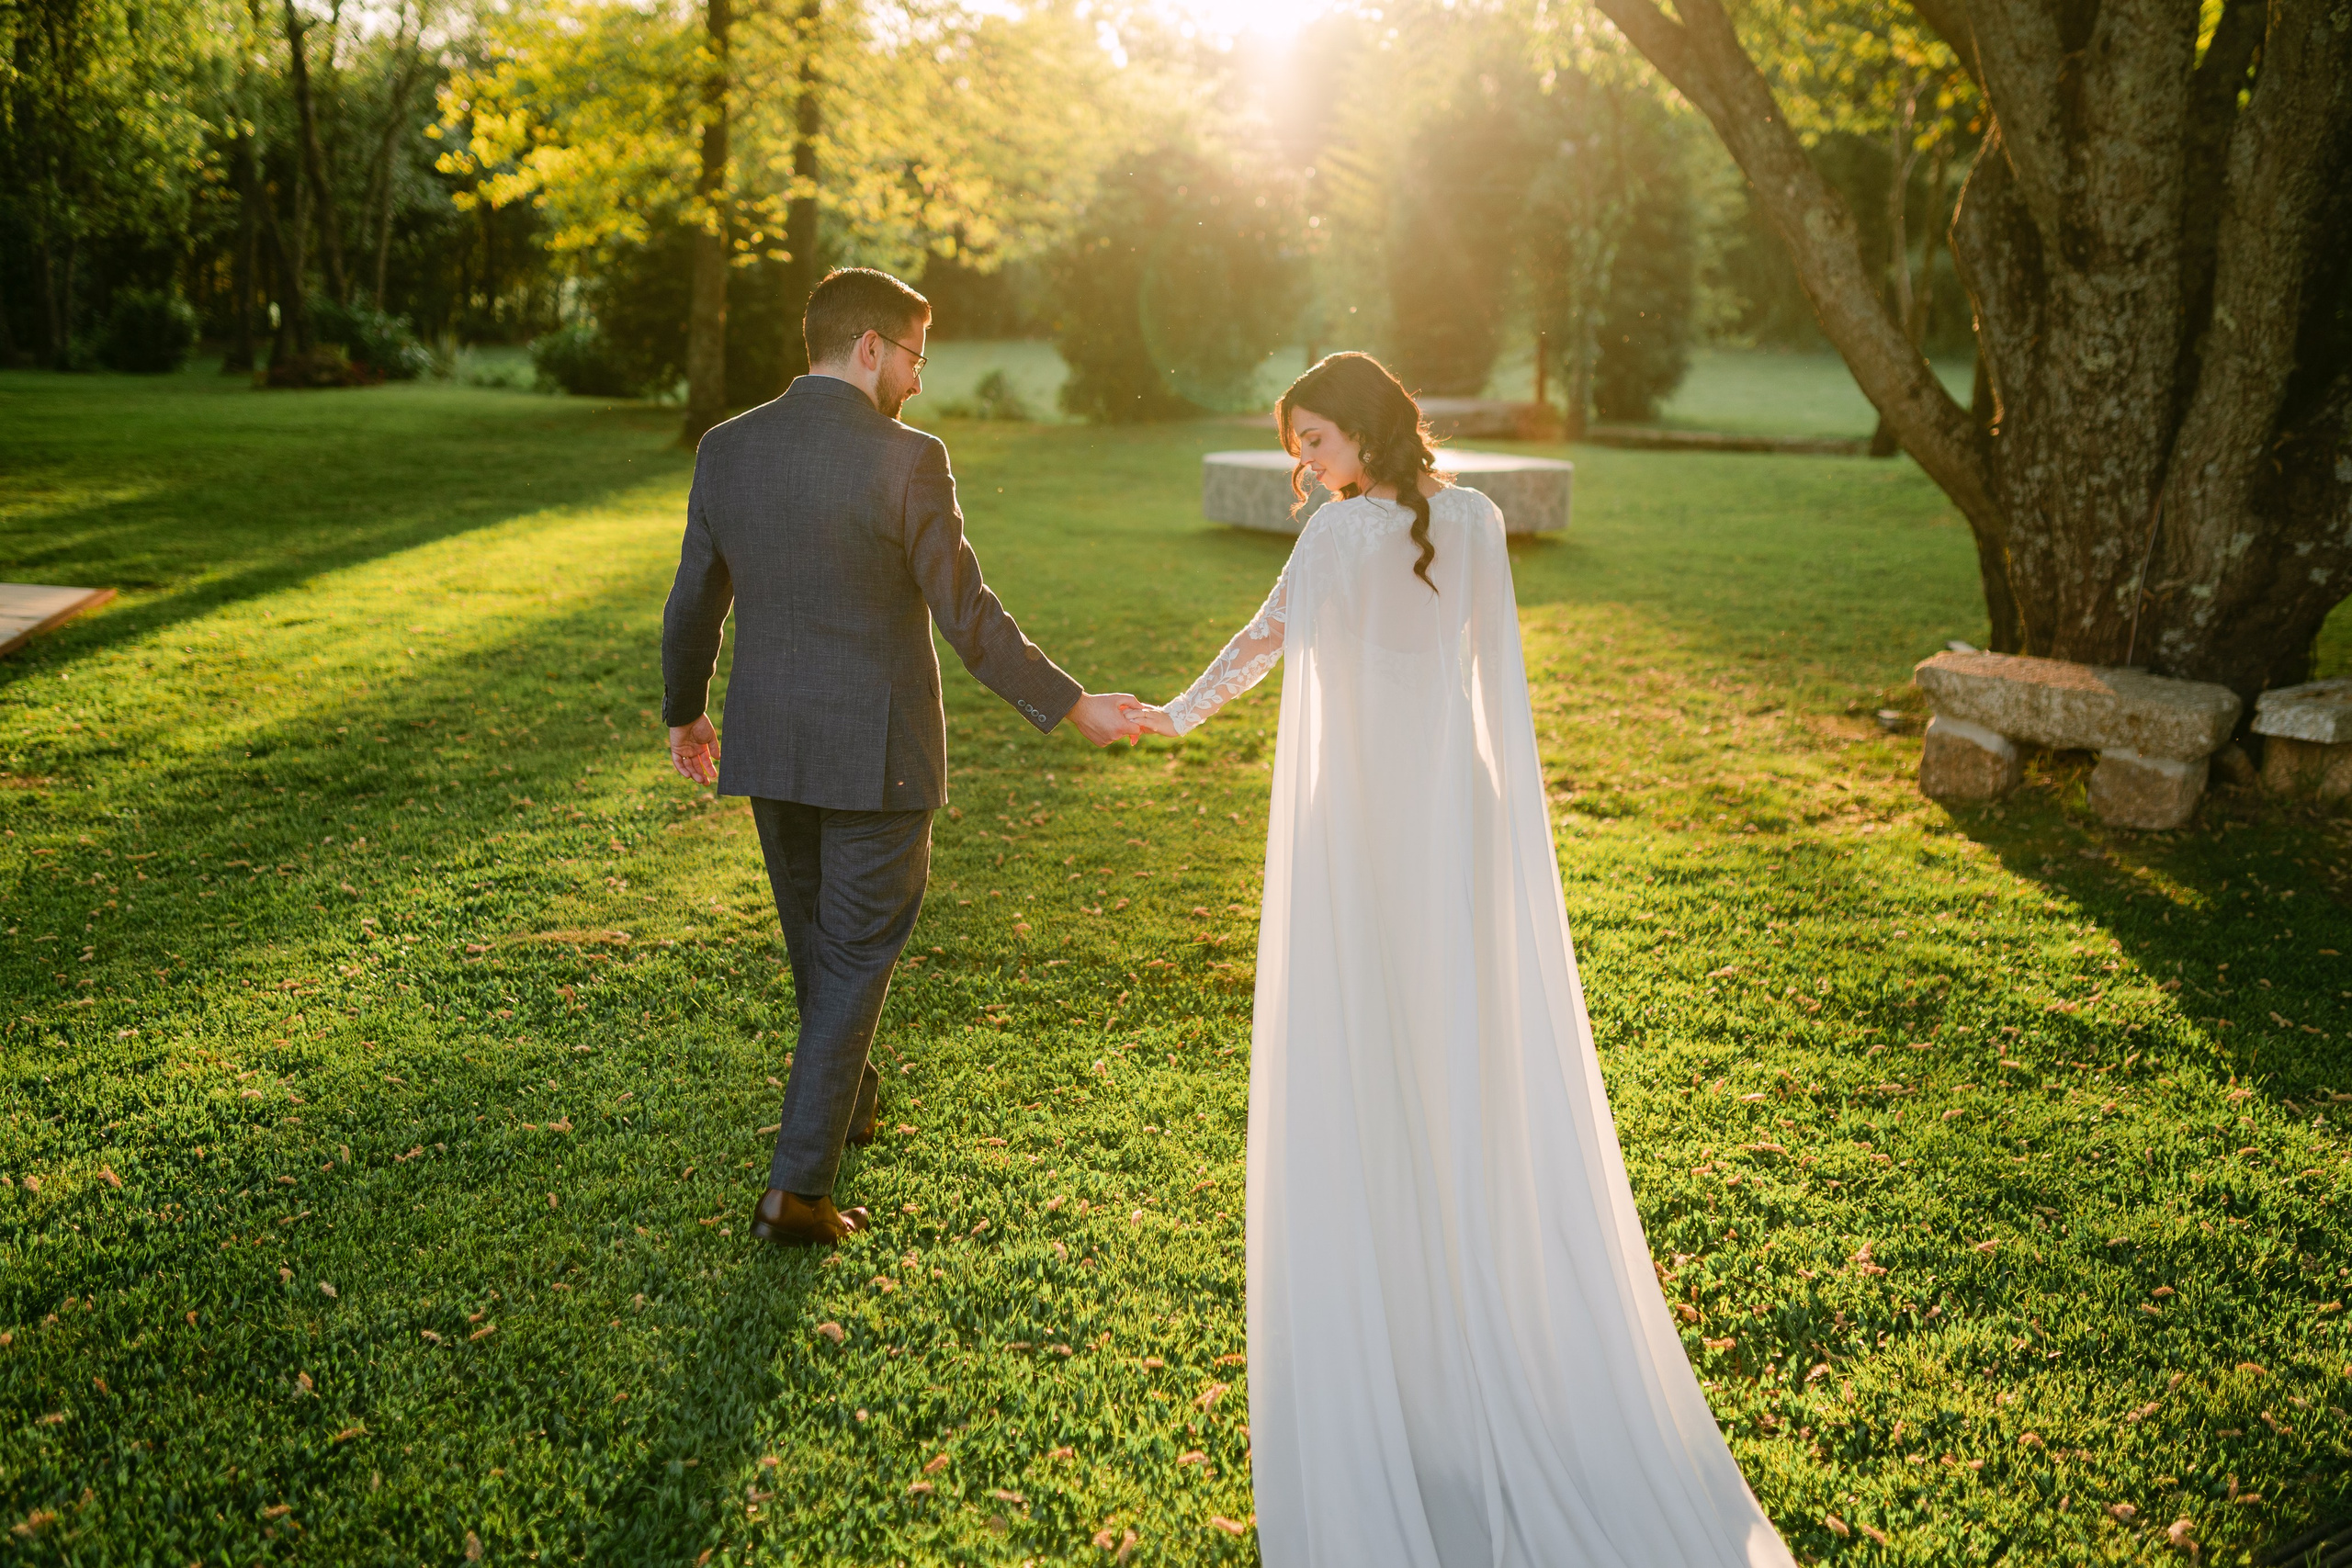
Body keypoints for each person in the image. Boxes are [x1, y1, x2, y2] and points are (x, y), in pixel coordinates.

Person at [1124, 353, 1796, 1567]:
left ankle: (1425, 1346)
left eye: (1315, 438)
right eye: (1296, 444)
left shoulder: (1345, 539)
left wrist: (1174, 713)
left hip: (1365, 828)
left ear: (1363, 426)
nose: (1304, 462)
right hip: (1459, 819)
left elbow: (1262, 640)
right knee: (1450, 1060)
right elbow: (1486, 688)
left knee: (1385, 1064)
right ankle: (1453, 1327)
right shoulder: (1475, 524)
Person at [660, 266, 1140, 1248]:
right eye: (916, 356)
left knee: (821, 949)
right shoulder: (910, 458)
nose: (919, 380)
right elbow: (967, 613)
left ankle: (851, 1099)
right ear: (870, 346)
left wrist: (685, 710)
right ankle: (797, 1193)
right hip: (880, 755)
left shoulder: (727, 447)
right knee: (849, 956)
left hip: (771, 744)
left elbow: (694, 593)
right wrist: (1071, 703)